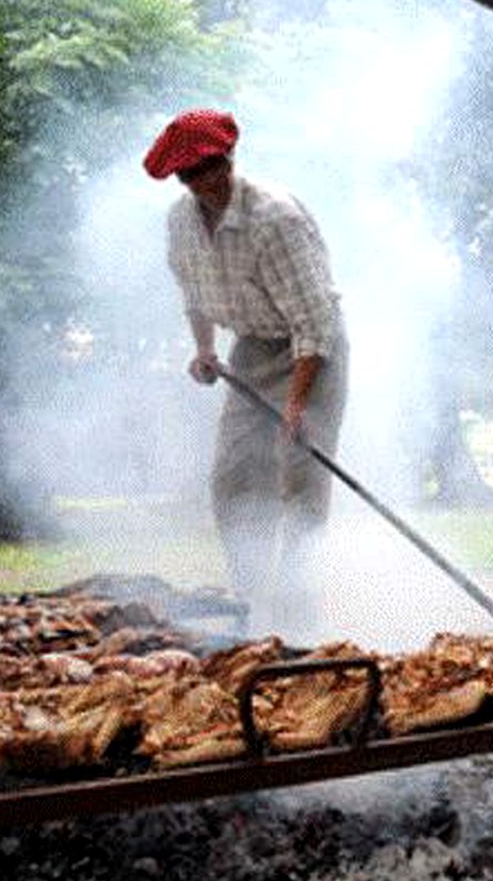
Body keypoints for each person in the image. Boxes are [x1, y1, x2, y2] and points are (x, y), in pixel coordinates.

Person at [144, 108, 348, 624]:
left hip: (310, 354)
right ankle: (251, 607)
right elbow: (194, 290)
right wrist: (205, 349)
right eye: (189, 175)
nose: (203, 182)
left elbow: (314, 322)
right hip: (252, 349)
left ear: (228, 157)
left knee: (301, 478)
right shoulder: (181, 222)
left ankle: (300, 617)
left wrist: (296, 406)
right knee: (233, 477)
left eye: (210, 167)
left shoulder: (276, 219)